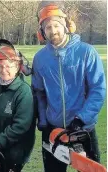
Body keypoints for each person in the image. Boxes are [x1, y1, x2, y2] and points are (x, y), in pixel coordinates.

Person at [32, 2, 106, 172]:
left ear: (66, 25)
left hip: (83, 128)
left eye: (56, 25)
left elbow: (98, 89)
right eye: (48, 27)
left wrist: (81, 119)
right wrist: (43, 120)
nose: (53, 30)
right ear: (42, 32)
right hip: (53, 129)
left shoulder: (87, 52)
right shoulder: (40, 58)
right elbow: (39, 92)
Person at [0, 39, 35, 172]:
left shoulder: (23, 91)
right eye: (0, 66)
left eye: (8, 66)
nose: (4, 70)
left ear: (17, 67)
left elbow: (20, 126)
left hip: (16, 151)